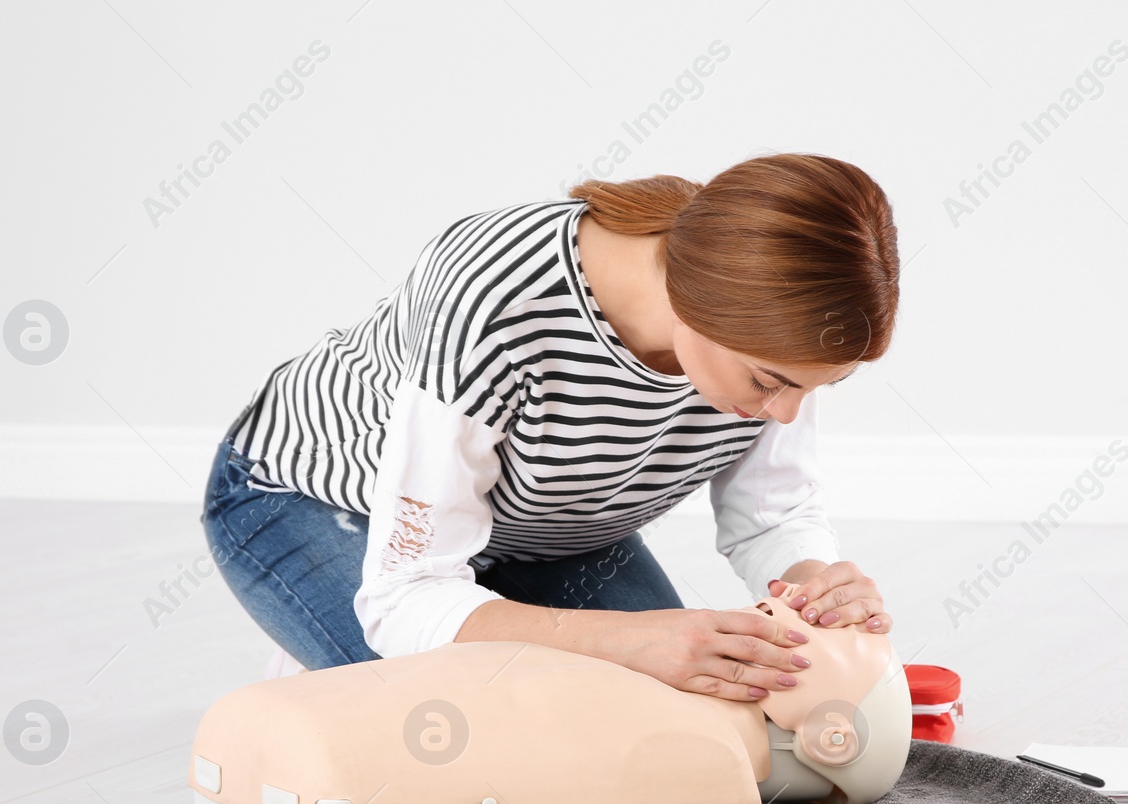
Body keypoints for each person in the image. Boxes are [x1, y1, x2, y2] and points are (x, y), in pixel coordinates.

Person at [200, 151, 901, 703]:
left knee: (684, 710)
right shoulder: (492, 295)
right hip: (315, 501)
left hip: (546, 528)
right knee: (489, 740)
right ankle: (319, 655)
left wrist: (813, 585)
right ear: (697, 305)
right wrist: (627, 641)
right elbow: (407, 591)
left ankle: (427, 634)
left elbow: (771, 517)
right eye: (770, 382)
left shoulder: (771, 346)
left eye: (815, 388)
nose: (785, 413)